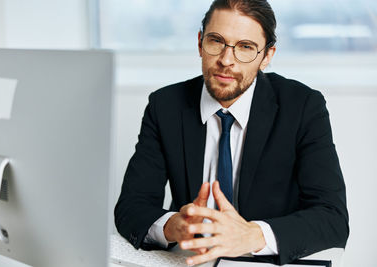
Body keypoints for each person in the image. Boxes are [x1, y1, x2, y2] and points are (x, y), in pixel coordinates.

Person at [114, 0, 349, 265]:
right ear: (200, 43)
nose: (227, 61)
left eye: (245, 47)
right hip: (193, 260)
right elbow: (131, 207)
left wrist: (252, 235)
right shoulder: (165, 105)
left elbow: (332, 219)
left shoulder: (303, 107)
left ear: (267, 56)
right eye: (216, 41)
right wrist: (173, 226)